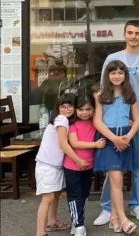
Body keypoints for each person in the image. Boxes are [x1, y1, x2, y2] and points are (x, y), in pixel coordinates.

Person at [94, 20, 139, 226]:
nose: (133, 36)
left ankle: (137, 203)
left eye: (137, 33)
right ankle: (107, 207)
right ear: (124, 34)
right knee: (112, 166)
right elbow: (104, 86)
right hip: (113, 123)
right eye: (130, 32)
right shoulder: (113, 59)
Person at [93, 60, 139, 234]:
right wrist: (114, 139)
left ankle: (113, 217)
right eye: (113, 73)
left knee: (117, 179)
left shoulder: (130, 94)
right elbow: (97, 121)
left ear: (125, 75)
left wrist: (128, 137)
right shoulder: (100, 96)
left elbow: (136, 119)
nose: (116, 76)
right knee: (116, 178)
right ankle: (123, 218)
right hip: (109, 139)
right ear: (107, 75)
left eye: (120, 73)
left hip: (125, 138)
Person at [35, 93, 82, 236]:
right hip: (47, 166)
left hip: (53, 165)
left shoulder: (62, 120)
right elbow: (63, 143)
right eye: (63, 106)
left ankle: (52, 222)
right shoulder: (61, 119)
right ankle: (40, 232)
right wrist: (77, 159)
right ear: (58, 108)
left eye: (70, 106)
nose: (66, 109)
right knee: (47, 198)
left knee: (55, 195)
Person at [64, 92, 106, 236]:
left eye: (88, 109)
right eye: (81, 109)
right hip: (72, 166)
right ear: (75, 109)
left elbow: (106, 121)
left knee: (84, 195)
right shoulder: (72, 124)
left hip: (88, 166)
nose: (84, 113)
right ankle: (79, 225)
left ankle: (77, 221)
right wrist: (95, 144)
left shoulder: (96, 122)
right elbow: (74, 143)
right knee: (74, 196)